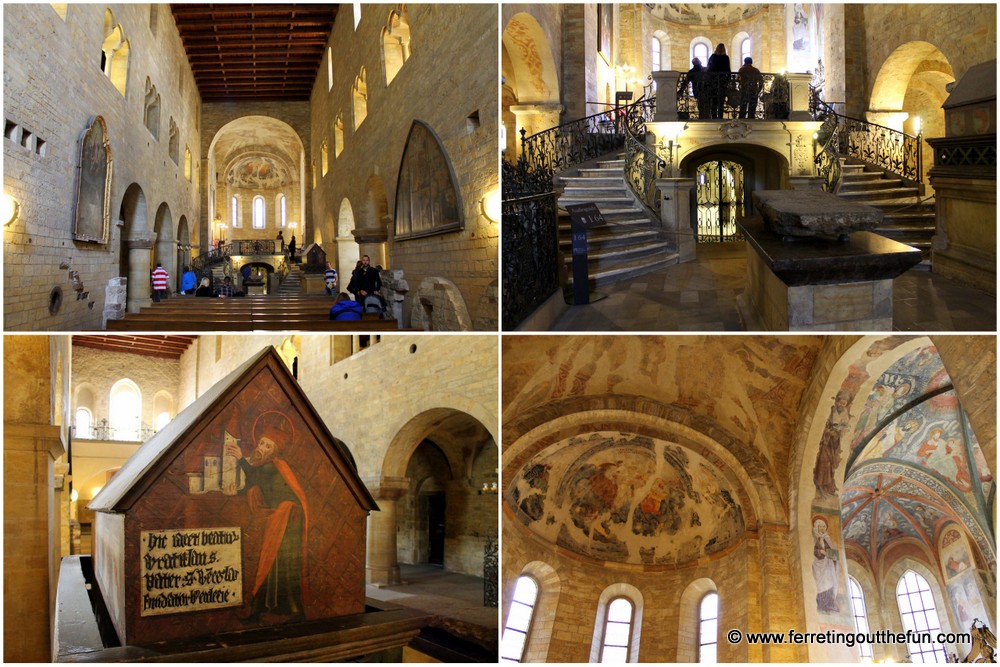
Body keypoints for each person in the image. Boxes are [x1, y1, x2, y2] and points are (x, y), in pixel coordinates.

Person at [224, 415, 309, 623]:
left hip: (288, 521)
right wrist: (238, 491)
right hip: (279, 520)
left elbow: (258, 476)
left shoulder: (275, 465)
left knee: (281, 565)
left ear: (274, 450)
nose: (261, 447)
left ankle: (293, 612)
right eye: (260, 443)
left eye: (267, 445)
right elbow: (258, 486)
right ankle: (261, 611)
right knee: (271, 564)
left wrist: (241, 458)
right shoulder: (264, 467)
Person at [706, 43, 731, 119]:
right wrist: (728, 80)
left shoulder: (712, 57)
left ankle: (713, 117)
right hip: (722, 81)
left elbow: (709, 68)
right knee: (721, 101)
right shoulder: (725, 58)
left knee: (713, 100)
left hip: (712, 82)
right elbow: (728, 70)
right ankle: (720, 117)